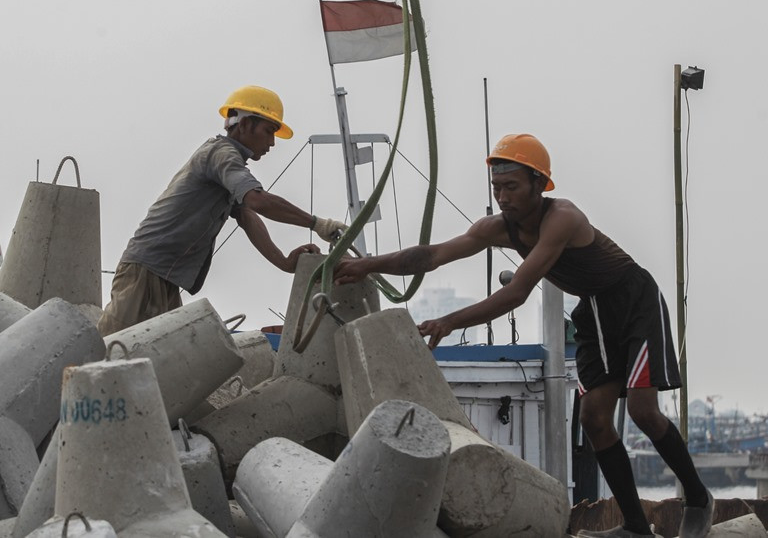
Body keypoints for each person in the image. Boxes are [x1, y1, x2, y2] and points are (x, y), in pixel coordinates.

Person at [333, 133, 713, 538]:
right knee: (594, 417)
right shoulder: (495, 228)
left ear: (539, 183)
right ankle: (636, 527)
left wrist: (450, 321)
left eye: (511, 186)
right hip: (594, 311)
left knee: (643, 410)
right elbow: (432, 254)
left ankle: (698, 499)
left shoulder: (562, 218)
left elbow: (517, 293)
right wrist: (368, 265)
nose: (503, 197)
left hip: (634, 302)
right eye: (497, 187)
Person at [98, 85, 347, 336]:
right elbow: (257, 201)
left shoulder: (227, 165)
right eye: (268, 131)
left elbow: (248, 216)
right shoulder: (221, 155)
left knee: (163, 361)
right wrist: (317, 224)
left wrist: (283, 262)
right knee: (112, 353)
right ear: (246, 124)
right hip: (146, 271)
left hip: (165, 277)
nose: (272, 142)